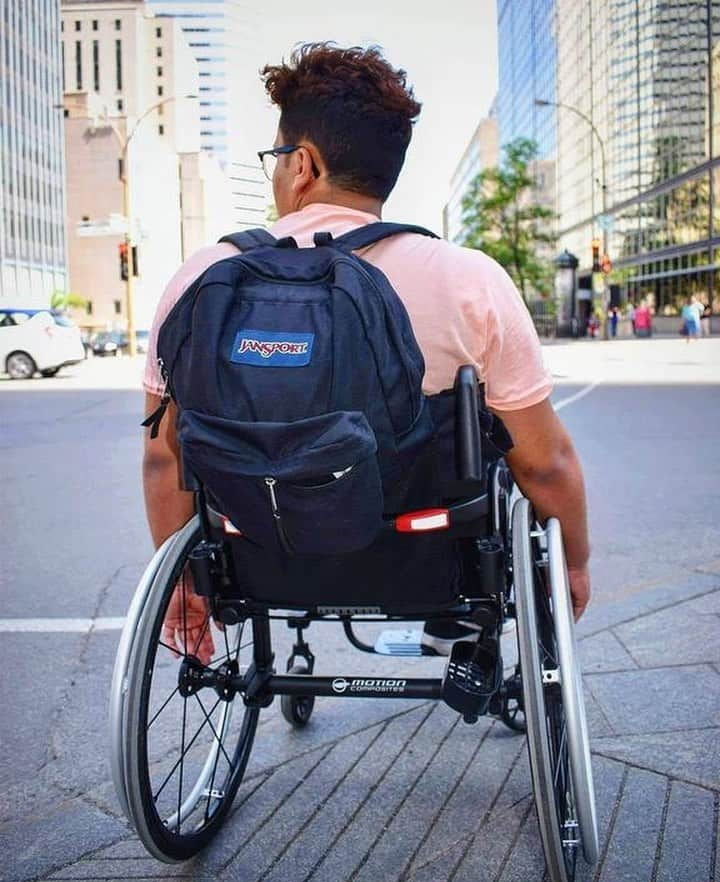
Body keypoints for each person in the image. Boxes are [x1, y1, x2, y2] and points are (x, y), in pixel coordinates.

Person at [142, 44, 591, 662]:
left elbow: (165, 459)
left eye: (276, 157)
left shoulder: (203, 278)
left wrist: (184, 586)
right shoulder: (467, 279)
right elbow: (545, 464)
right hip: (422, 553)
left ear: (302, 164)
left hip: (257, 548)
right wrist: (574, 566)